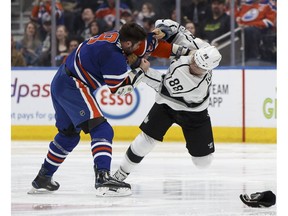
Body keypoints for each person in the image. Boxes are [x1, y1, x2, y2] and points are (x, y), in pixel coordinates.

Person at [28, 22, 150, 197]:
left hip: (61, 80)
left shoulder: (115, 36)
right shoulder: (113, 55)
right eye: (137, 45)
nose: (139, 49)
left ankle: (43, 177)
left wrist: (135, 61)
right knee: (102, 129)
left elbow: (121, 55)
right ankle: (103, 177)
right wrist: (141, 70)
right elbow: (120, 90)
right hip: (74, 86)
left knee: (68, 136)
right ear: (129, 44)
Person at [113, 19, 222, 185]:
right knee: (145, 141)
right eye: (194, 60)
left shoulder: (195, 85)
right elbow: (179, 29)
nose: (192, 64)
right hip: (166, 106)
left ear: (208, 70)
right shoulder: (199, 47)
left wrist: (140, 68)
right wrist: (164, 30)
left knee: (203, 162)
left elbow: (160, 84)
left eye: (198, 66)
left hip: (193, 111)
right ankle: (120, 174)